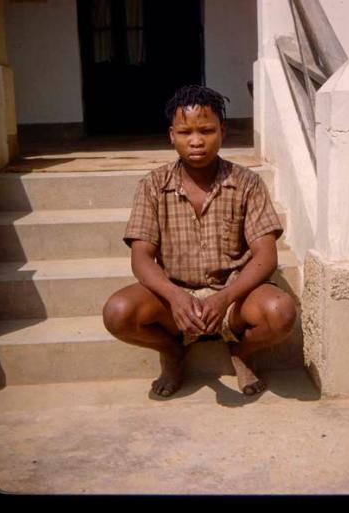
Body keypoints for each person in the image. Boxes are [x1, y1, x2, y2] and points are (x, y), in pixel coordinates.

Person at [103, 84, 297, 397]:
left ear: (223, 131)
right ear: (171, 136)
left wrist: (225, 296)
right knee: (117, 312)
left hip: (235, 298)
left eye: (206, 130)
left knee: (281, 312)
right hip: (173, 300)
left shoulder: (247, 183)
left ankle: (242, 352)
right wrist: (175, 296)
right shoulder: (153, 185)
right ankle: (173, 350)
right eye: (185, 132)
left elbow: (266, 255)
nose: (196, 141)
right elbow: (141, 257)